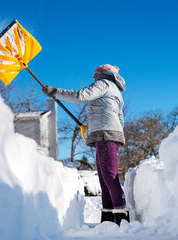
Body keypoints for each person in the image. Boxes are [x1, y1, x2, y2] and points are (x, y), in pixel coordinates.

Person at [42, 64, 129, 225]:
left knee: (109, 177)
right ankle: (109, 220)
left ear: (101, 74)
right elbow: (119, 117)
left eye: (94, 75)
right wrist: (94, 128)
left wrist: (55, 92)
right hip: (107, 133)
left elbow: (80, 96)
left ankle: (122, 219)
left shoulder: (103, 83)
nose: (93, 78)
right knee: (104, 179)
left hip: (105, 134)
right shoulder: (114, 89)